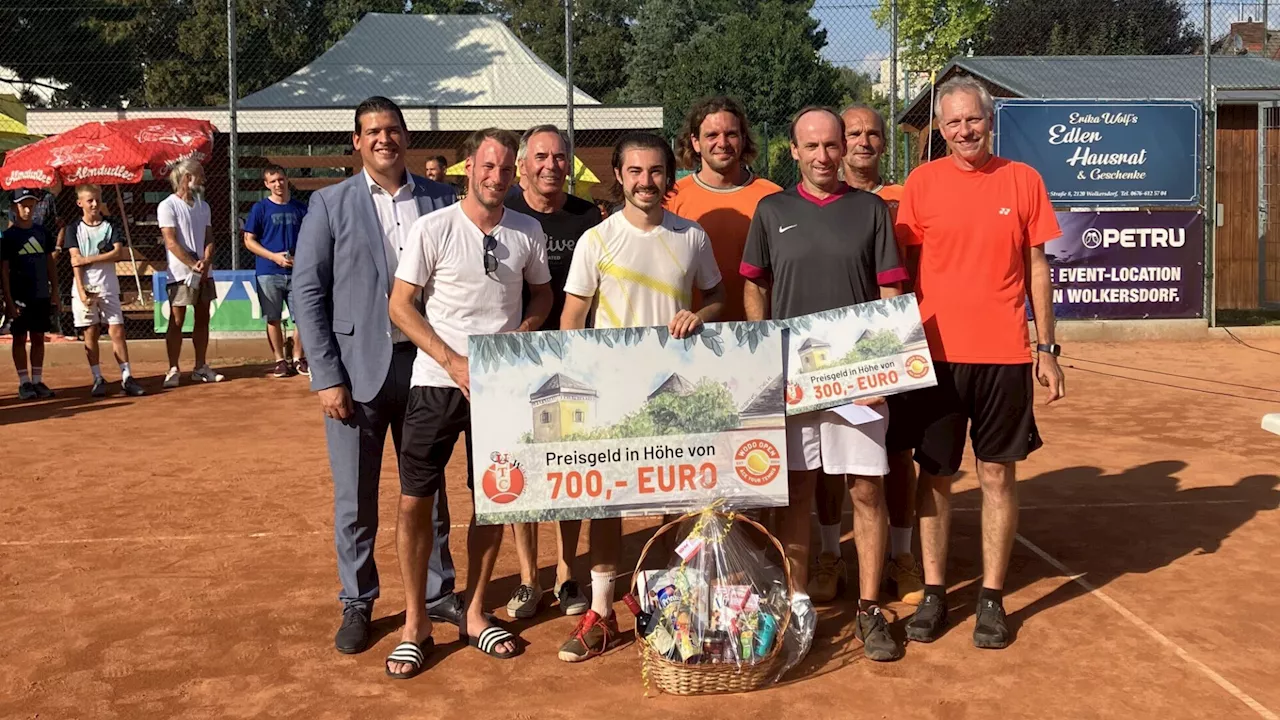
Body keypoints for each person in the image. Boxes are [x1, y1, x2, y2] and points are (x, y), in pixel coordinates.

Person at [894, 76, 1065, 650]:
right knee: (936, 476)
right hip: (936, 356)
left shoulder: (1024, 181)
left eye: (974, 120)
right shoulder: (921, 183)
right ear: (939, 131)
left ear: (989, 121)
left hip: (1005, 356)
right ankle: (937, 591)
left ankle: (991, 598)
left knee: (996, 474)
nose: (964, 130)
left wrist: (1046, 348)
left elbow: (1038, 267)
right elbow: (899, 272)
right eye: (953, 123)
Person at [293, 96, 462, 658]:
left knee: (428, 489)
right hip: (355, 371)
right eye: (372, 132)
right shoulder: (329, 203)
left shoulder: (442, 198)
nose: (383, 139)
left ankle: (439, 594)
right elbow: (308, 292)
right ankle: (358, 600)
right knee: (355, 498)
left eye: (392, 130)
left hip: (424, 367)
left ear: (406, 137)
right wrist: (326, 375)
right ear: (358, 141)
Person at [741, 106, 907, 662]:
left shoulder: (872, 210)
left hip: (860, 381)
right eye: (810, 146)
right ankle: (798, 604)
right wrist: (765, 355)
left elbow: (890, 295)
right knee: (799, 491)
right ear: (792, 151)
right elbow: (755, 288)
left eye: (831, 145)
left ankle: (868, 608)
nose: (822, 156)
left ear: (845, 148)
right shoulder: (770, 210)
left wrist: (885, 370)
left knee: (866, 488)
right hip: (794, 380)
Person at [387, 127, 553, 677]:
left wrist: (522, 334)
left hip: (500, 390)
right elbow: (401, 307)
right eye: (488, 166)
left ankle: (476, 613)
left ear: (519, 173)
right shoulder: (432, 228)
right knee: (415, 502)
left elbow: (542, 293)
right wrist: (454, 361)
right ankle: (416, 623)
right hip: (436, 383)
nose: (497, 177)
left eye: (507, 168)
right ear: (468, 168)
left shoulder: (527, 231)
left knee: (494, 501)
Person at [557, 131, 726, 663]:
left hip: (674, 395)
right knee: (608, 505)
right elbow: (571, 320)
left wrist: (698, 315)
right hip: (615, 397)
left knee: (675, 503)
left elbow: (718, 297)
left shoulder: (692, 237)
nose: (645, 181)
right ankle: (602, 613)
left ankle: (667, 606)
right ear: (619, 176)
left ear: (668, 176)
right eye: (635, 172)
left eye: (655, 171)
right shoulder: (596, 240)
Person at [806, 103, 923, 607]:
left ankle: (902, 554)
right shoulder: (812, 203)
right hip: (822, 359)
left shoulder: (902, 199)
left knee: (894, 457)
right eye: (852, 133)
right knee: (827, 465)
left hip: (892, 353)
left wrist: (895, 358)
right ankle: (831, 555)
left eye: (873, 133)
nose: (862, 142)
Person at [502, 124, 603, 621]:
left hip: (574, 361)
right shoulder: (506, 211)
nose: (551, 165)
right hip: (514, 361)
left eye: (559, 157)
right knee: (522, 469)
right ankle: (527, 578)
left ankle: (567, 573)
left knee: (570, 471)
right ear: (523, 164)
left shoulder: (587, 216)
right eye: (540, 156)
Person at [668, 96, 781, 322]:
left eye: (731, 134)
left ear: (742, 139)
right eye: (711, 135)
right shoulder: (673, 197)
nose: (723, 143)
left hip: (760, 331)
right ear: (695, 142)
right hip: (692, 335)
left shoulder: (773, 197)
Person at [66, 184, 144, 398]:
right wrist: (82, 291)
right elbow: (75, 261)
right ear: (79, 203)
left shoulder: (111, 225)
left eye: (97, 199)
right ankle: (97, 377)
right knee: (90, 332)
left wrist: (88, 258)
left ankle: (127, 377)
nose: (94, 204)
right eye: (89, 200)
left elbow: (117, 253)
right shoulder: (74, 229)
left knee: (117, 330)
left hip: (109, 285)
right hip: (85, 287)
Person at [158, 159, 225, 388]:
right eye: (200, 175)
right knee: (177, 320)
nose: (204, 179)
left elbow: (209, 237)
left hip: (204, 272)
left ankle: (200, 367)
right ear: (188, 178)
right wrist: (191, 264)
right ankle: (173, 369)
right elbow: (170, 241)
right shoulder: (167, 206)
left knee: (203, 316)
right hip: (179, 275)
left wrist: (205, 261)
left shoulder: (204, 206)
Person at [243, 164, 309, 378]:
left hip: (298, 272)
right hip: (268, 271)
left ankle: (299, 358)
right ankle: (280, 360)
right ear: (266, 184)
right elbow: (249, 240)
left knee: (303, 317)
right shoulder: (260, 209)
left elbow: (311, 237)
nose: (278, 184)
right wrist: (274, 257)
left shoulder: (301, 208)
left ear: (286, 179)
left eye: (280, 179)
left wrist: (301, 258)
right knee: (273, 318)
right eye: (272, 181)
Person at [1, 188, 59, 400]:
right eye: (23, 205)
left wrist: (55, 292)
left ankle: (37, 380)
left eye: (31, 204)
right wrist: (8, 300)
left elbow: (50, 263)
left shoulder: (42, 233)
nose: (27, 209)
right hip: (19, 296)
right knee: (19, 338)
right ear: (14, 208)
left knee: (38, 337)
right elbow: (4, 271)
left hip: (41, 294)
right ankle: (24, 382)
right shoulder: (8, 237)